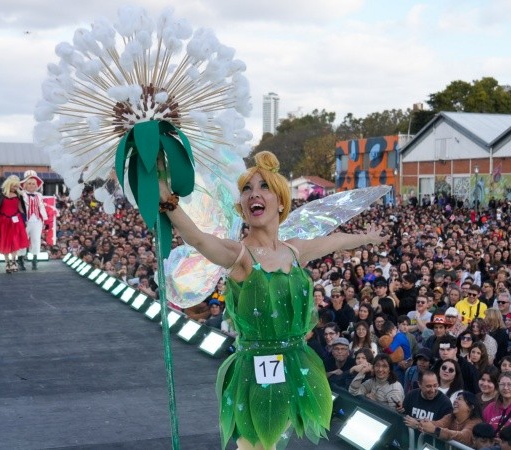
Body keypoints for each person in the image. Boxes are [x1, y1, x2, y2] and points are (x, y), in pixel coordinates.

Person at [159, 151, 387, 449]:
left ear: (281, 201)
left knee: (279, 441)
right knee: (256, 443)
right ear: (241, 205)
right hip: (254, 368)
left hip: (296, 364)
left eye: (264, 186)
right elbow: (199, 239)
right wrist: (167, 198)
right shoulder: (238, 255)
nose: (254, 194)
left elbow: (335, 240)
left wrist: (366, 239)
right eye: (247, 189)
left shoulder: (295, 250)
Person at [0, 175, 29, 273]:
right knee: (4, 242)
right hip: (2, 221)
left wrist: (25, 219)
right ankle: (7, 263)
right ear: (8, 185)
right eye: (14, 186)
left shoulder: (19, 195)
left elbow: (21, 208)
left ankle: (14, 261)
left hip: (15, 221)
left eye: (17, 186)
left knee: (14, 241)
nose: (15, 188)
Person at [411, 391, 483, 447]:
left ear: (470, 407)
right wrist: (421, 422)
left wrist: (436, 430)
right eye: (456, 399)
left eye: (459, 399)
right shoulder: (450, 417)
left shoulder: (476, 422)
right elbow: (438, 423)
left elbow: (463, 436)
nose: (455, 401)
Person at [19, 170, 49, 271]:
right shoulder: (21, 194)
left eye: (33, 184)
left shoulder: (39, 195)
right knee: (22, 240)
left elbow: (42, 207)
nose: (32, 185)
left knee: (36, 240)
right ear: (25, 185)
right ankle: (20, 260)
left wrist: (46, 220)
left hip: (37, 221)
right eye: (29, 183)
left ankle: (34, 260)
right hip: (24, 221)